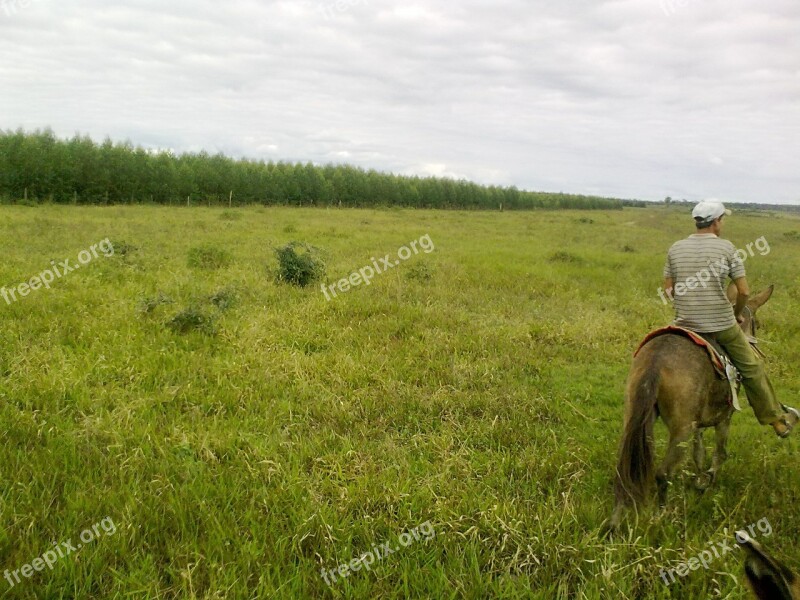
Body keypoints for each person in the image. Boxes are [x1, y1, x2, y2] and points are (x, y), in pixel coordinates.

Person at [662, 199, 799, 437]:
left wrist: (690, 304)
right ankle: (776, 420)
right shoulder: (727, 248)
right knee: (752, 367)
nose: (722, 223)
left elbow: (668, 290)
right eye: (722, 219)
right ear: (716, 222)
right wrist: (736, 315)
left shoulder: (675, 248)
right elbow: (744, 291)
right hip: (720, 325)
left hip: (683, 324)